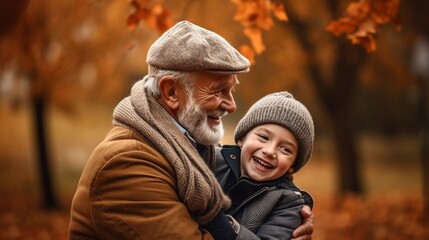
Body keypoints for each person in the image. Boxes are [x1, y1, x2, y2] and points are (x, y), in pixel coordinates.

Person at [68, 20, 313, 240]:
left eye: (232, 91)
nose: (232, 105)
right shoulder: (129, 162)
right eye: (218, 91)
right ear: (171, 92)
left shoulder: (188, 148)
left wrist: (289, 213)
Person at [216, 91, 315, 239]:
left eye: (285, 149)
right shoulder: (211, 160)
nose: (270, 151)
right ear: (242, 138)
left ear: (292, 165)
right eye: (263, 137)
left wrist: (219, 222)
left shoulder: (288, 203)